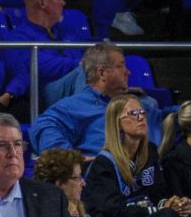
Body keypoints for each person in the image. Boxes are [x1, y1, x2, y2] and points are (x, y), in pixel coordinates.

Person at [83, 95, 191, 217]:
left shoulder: (150, 151)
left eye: (142, 112)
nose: (140, 118)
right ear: (117, 123)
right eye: (133, 114)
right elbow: (115, 212)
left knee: (173, 216)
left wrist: (173, 204)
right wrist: (161, 209)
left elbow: (157, 193)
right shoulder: (103, 164)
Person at [31, 41, 165, 156]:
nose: (127, 72)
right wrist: (71, 159)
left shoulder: (137, 105)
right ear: (101, 73)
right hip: (103, 178)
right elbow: (41, 127)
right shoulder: (77, 105)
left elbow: (162, 117)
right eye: (120, 66)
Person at [10, 0, 86, 107]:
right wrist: (83, 64)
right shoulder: (19, 37)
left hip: (75, 90)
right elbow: (41, 65)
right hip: (43, 98)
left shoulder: (66, 31)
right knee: (84, 72)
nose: (63, 2)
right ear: (43, 3)